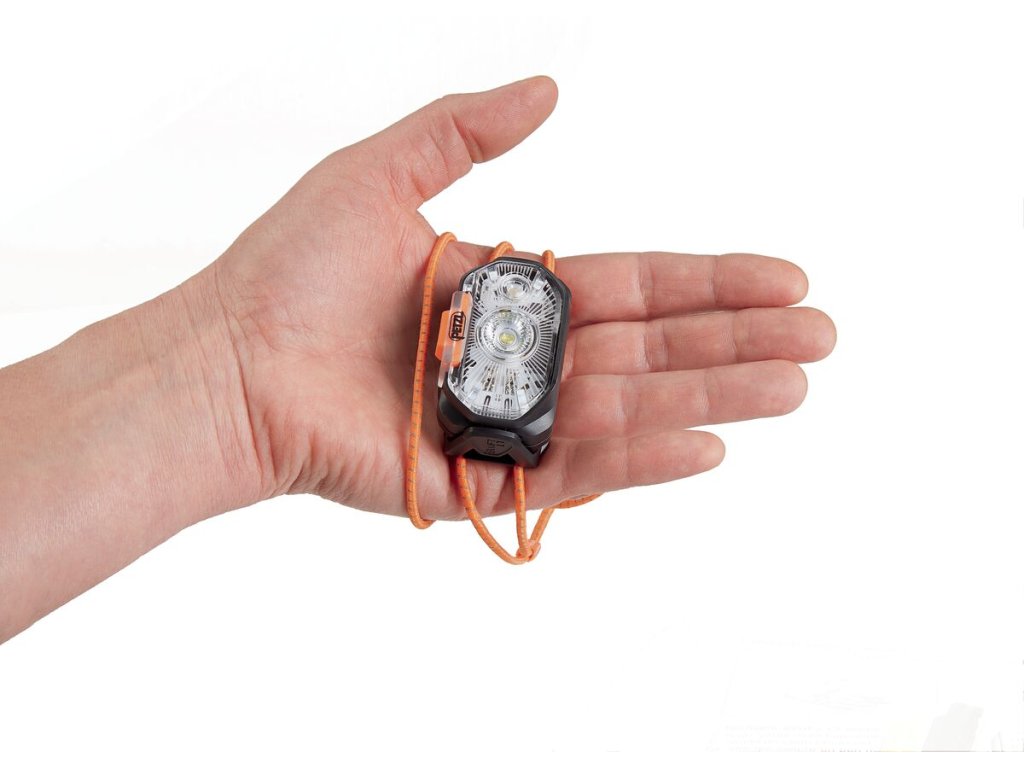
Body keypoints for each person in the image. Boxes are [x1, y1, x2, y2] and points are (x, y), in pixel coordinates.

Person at [0, 76, 836, 642]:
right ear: (452, 338)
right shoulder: (487, 316)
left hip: (490, 409)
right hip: (483, 407)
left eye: (512, 331)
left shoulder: (495, 311)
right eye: (495, 328)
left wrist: (228, 375)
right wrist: (231, 367)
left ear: (448, 344)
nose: (506, 332)